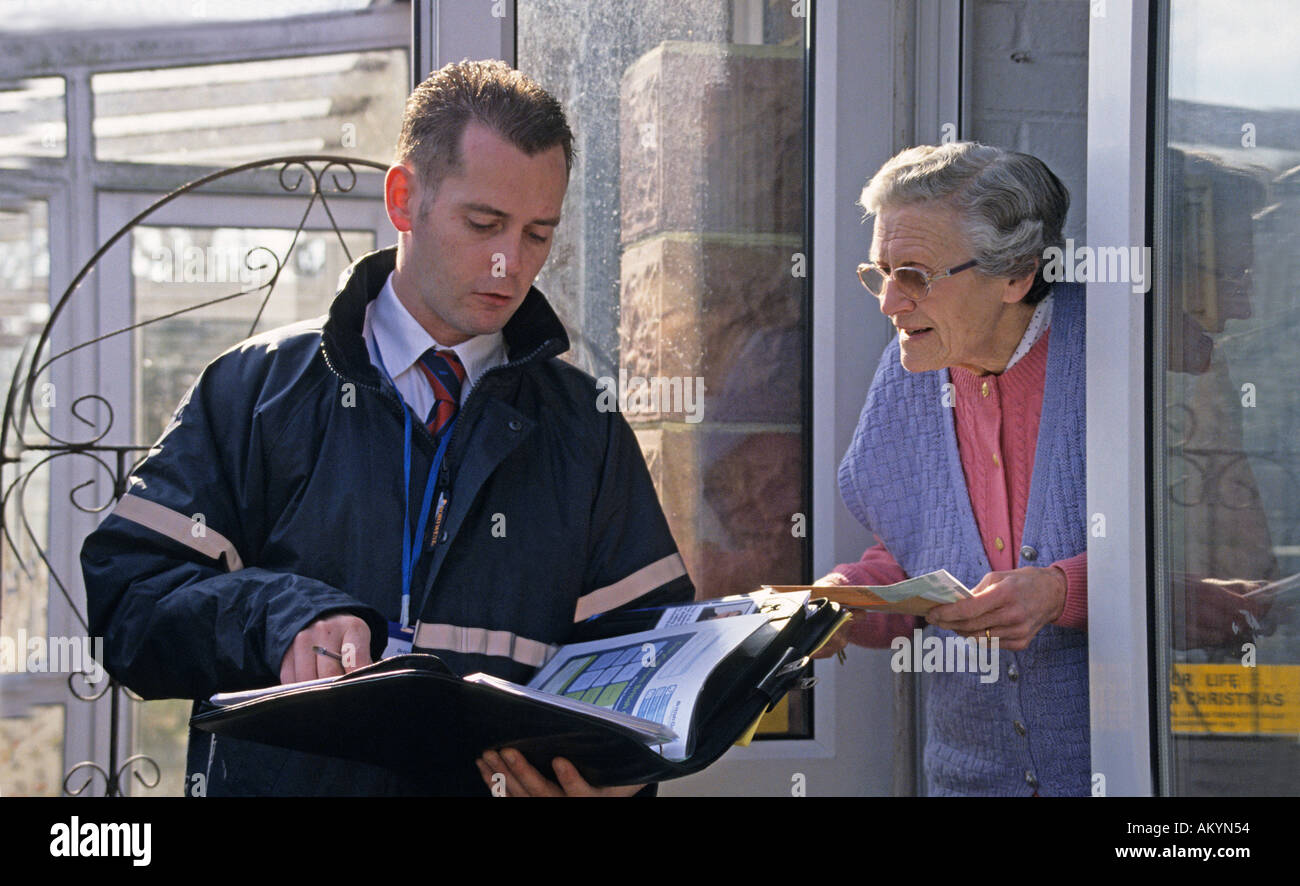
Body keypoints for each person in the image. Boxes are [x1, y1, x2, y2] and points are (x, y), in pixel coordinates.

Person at [80, 60, 693, 797]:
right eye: (484, 223)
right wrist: (280, 616)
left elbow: (653, 668)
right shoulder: (251, 391)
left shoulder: (586, 431)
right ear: (404, 199)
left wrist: (618, 782)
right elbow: (130, 609)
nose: (511, 263)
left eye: (538, 233)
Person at [816, 143, 1089, 795]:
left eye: (913, 274)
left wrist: (1061, 591)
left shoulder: (1119, 354)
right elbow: (915, 555)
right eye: (879, 272)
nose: (888, 303)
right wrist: (843, 599)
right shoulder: (907, 374)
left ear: (1017, 274)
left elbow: (1224, 574)